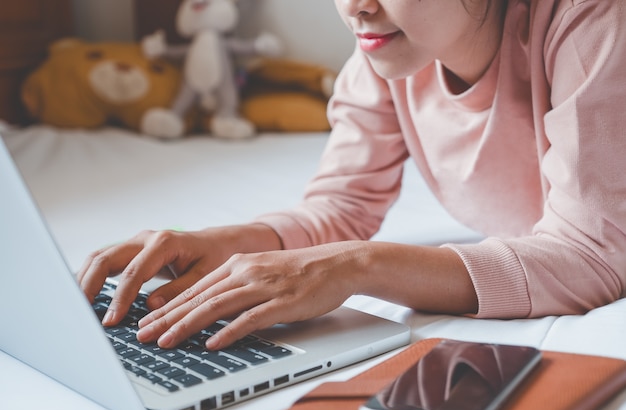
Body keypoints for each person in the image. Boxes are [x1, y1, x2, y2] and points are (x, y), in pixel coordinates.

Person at [78, 0, 626, 352]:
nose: (356, 7)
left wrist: (356, 265)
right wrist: (214, 244)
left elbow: (595, 254)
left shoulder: (590, 20)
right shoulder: (386, 56)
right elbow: (340, 210)